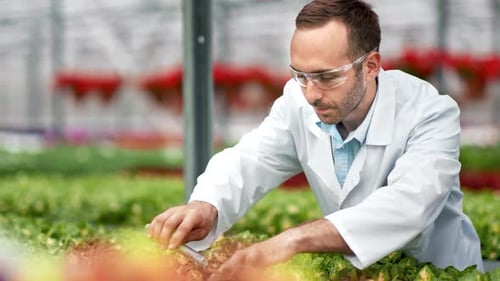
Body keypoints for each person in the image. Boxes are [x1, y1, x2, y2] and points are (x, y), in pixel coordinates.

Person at [148, 0, 484, 279]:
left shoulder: (430, 112)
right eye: (300, 75)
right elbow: (251, 159)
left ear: (370, 66)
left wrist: (291, 240)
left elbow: (409, 207)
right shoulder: (298, 102)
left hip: (443, 271)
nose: (311, 94)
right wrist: (207, 205)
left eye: (326, 77)